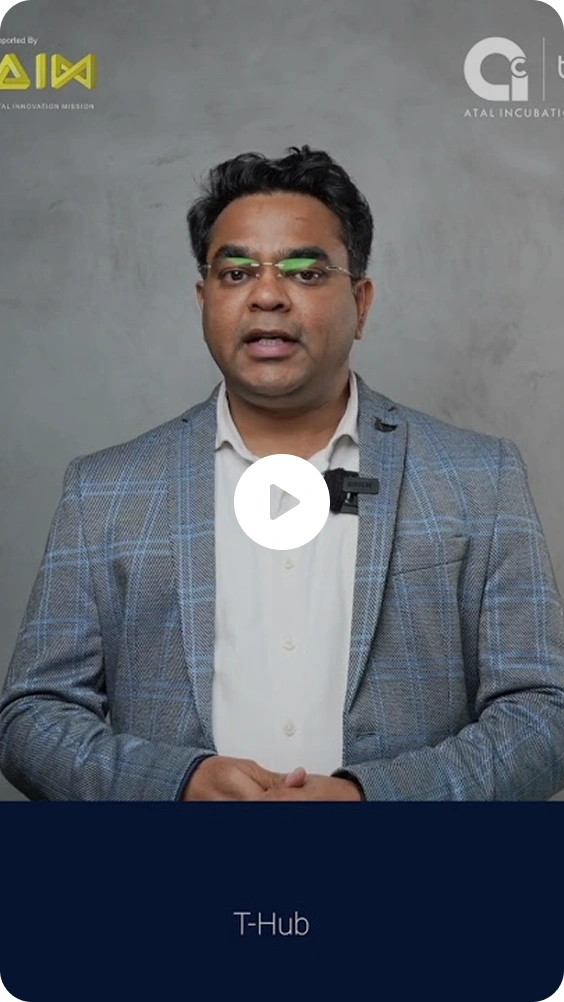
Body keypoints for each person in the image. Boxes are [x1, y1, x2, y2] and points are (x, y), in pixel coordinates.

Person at [1, 144, 564, 802]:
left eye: (305, 272)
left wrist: (369, 800)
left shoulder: (478, 477)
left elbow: (545, 715)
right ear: (204, 299)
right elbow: (31, 720)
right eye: (236, 273)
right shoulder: (104, 491)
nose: (267, 295)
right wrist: (176, 785)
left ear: (361, 302)